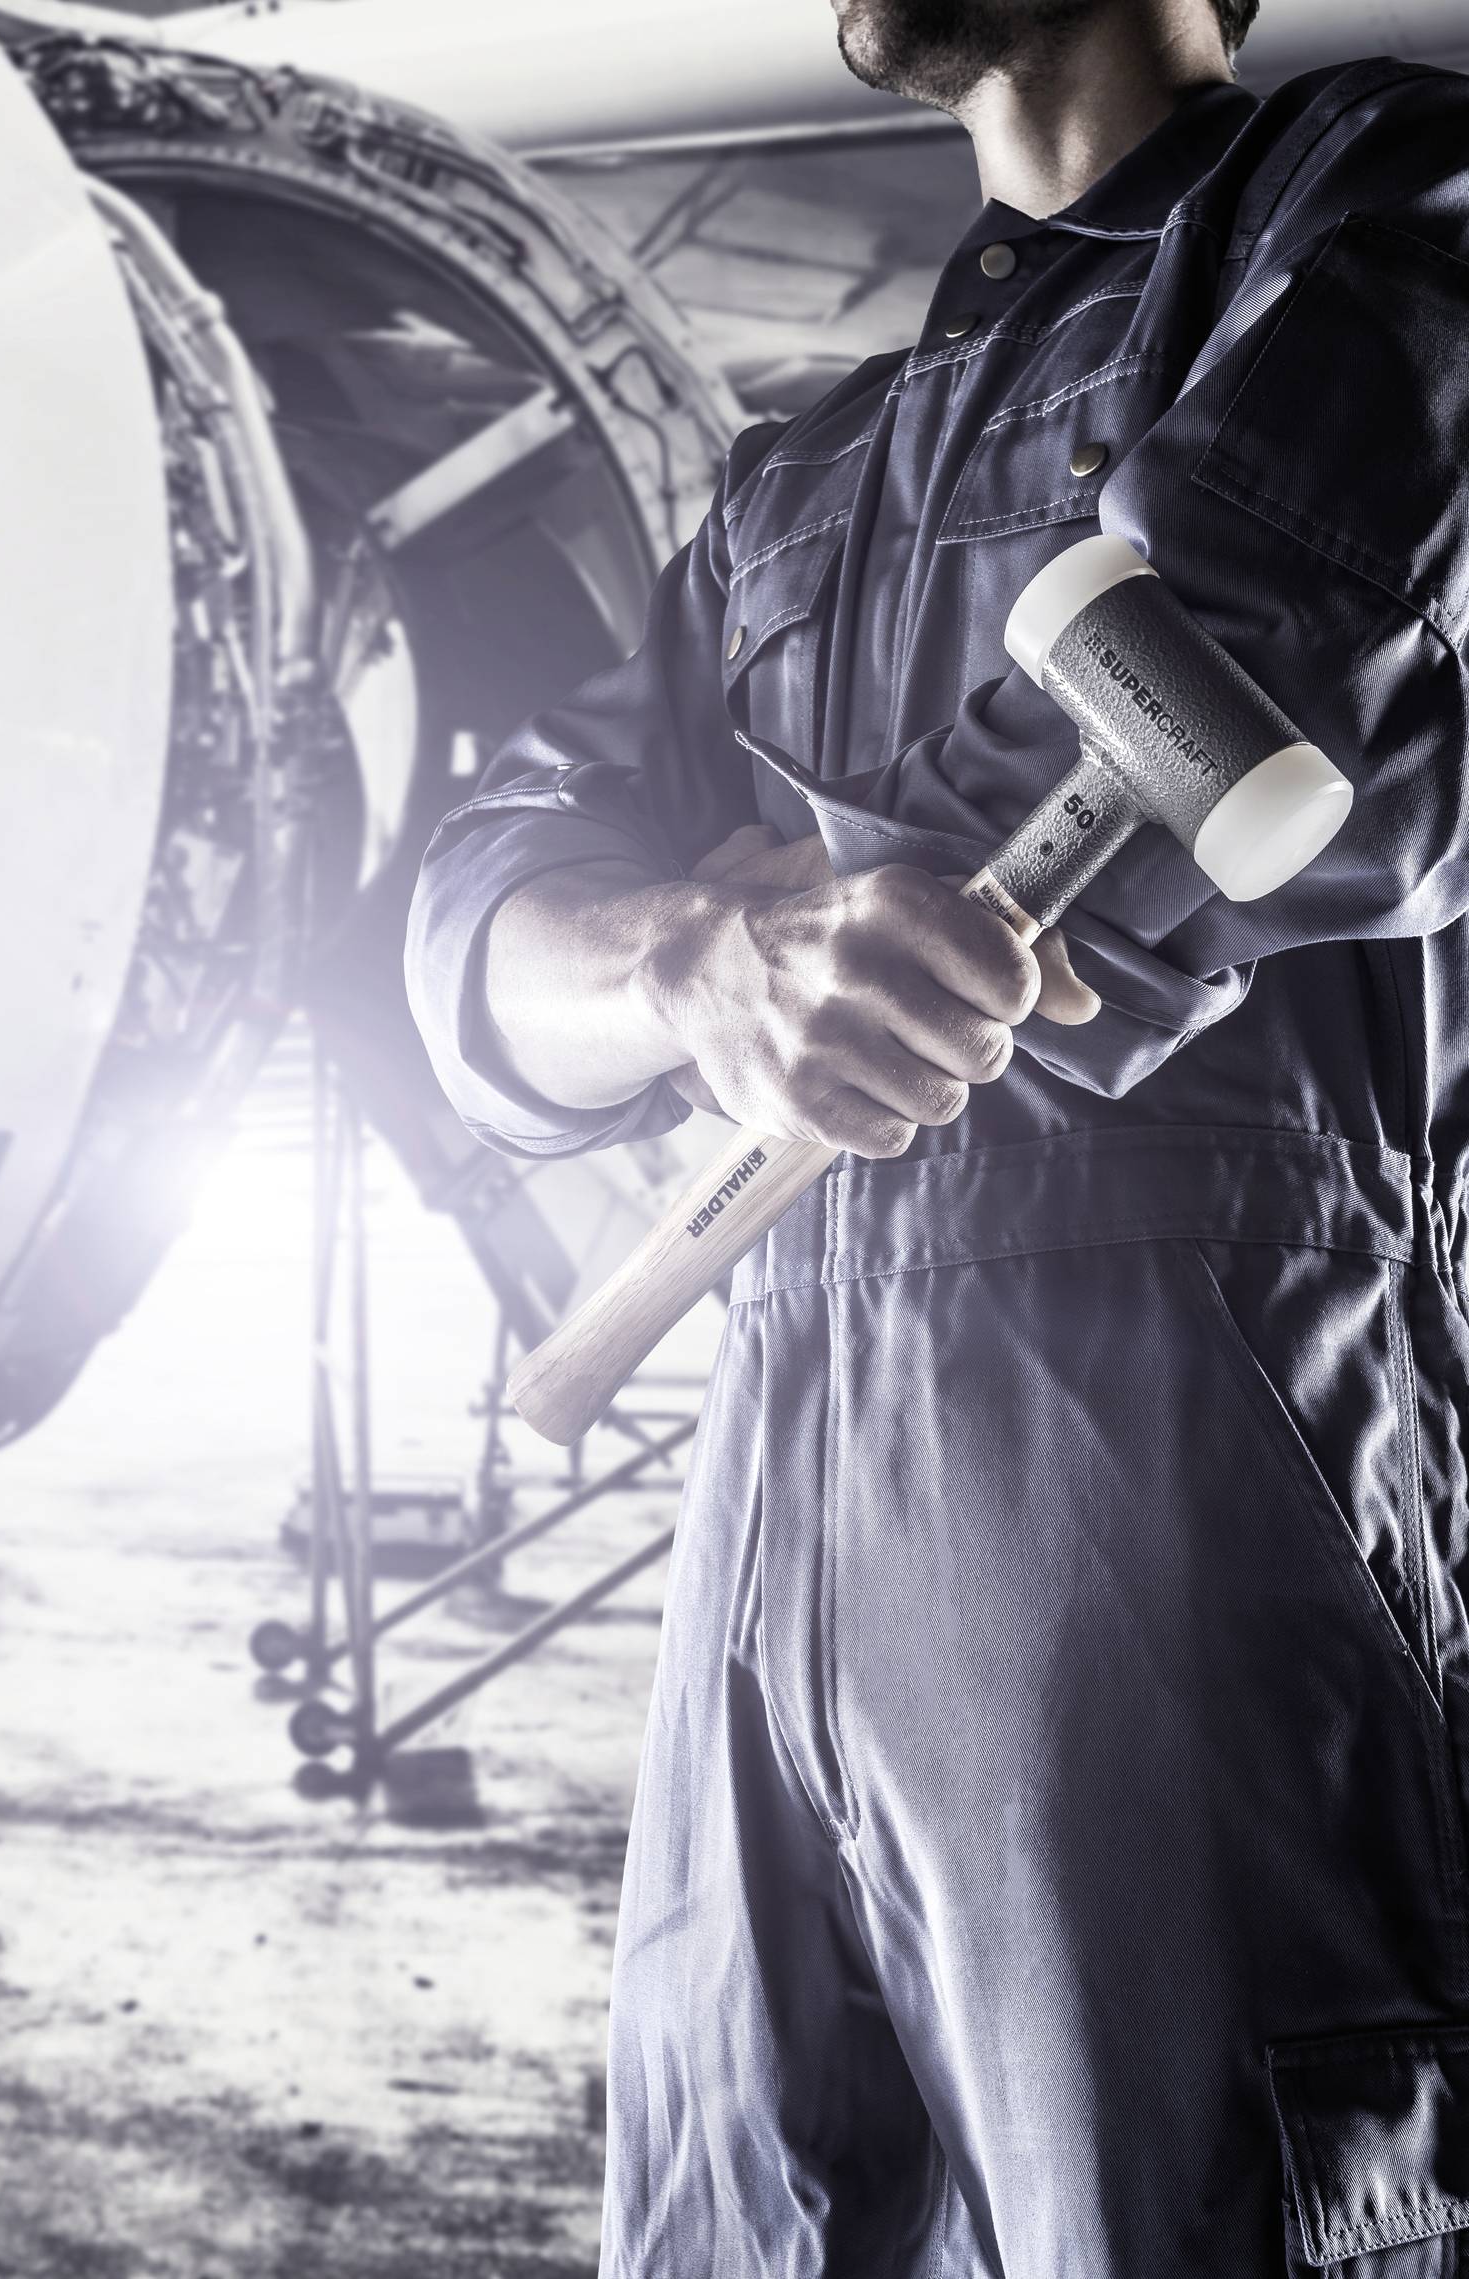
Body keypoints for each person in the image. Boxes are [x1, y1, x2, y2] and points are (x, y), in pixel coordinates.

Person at [406, 1, 1469, 2268]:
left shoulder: (1386, 202)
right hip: (768, 1498)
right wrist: (691, 963)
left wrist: (817, 914)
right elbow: (479, 907)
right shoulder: (797, 480)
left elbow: (1261, 660)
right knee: (753, 2215)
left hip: (1184, 1474)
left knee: (1207, 2219)